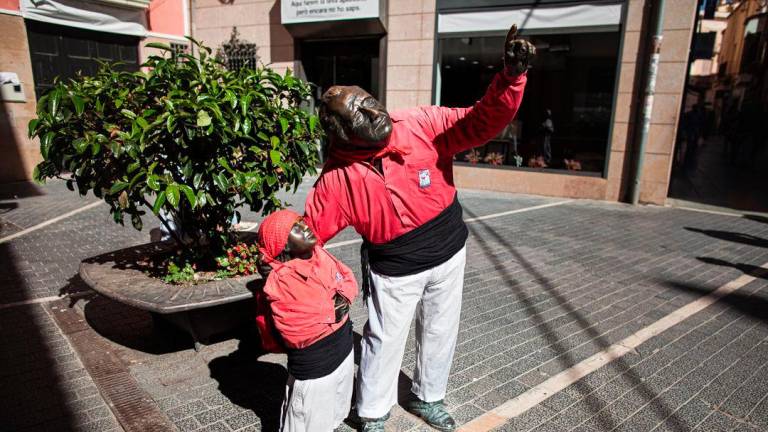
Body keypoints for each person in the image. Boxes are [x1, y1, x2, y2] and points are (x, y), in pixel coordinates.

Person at [302, 24, 535, 432]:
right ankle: (373, 412)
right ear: (340, 132)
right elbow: (308, 239)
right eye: (360, 112)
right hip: (395, 269)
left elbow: (482, 121)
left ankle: (429, 397)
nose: (376, 112)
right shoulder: (336, 179)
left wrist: (510, 79)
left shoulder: (419, 122)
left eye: (372, 101)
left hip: (449, 250)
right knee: (383, 339)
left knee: (441, 329)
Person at [257, 209, 358, 432]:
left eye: (302, 222)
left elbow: (348, 278)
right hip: (316, 366)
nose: (305, 228)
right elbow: (298, 329)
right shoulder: (280, 279)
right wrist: (334, 308)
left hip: (342, 349)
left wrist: (343, 297)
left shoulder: (320, 254)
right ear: (283, 244)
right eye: (296, 228)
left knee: (334, 412)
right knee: (308, 422)